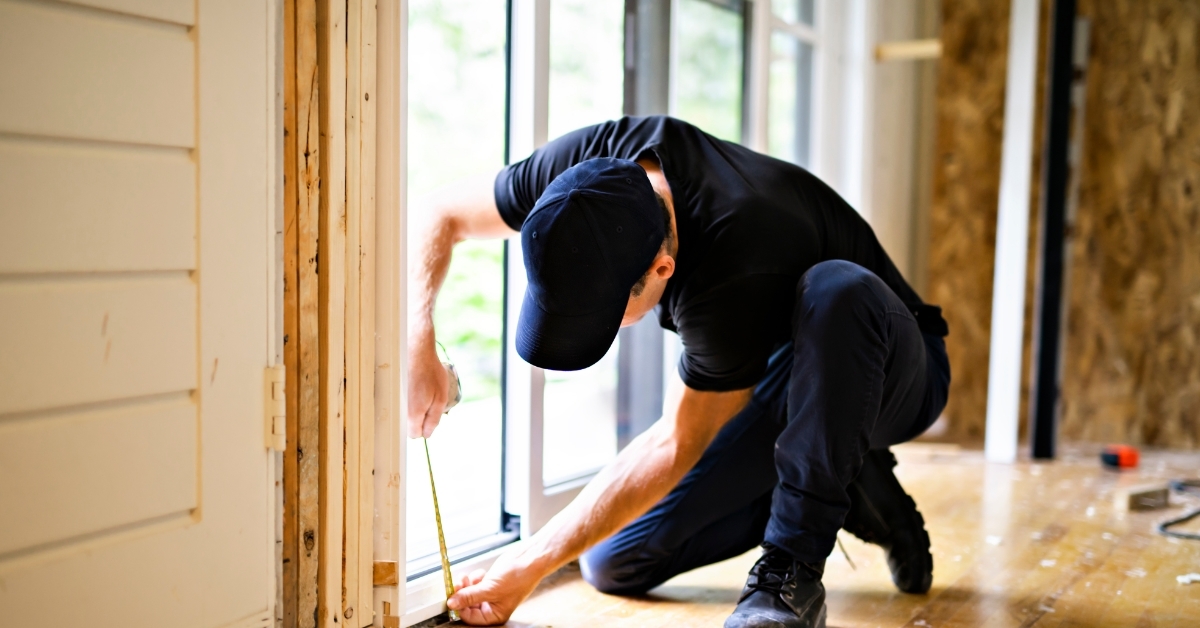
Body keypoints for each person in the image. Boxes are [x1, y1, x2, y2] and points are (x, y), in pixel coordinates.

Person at [407, 116, 950, 628]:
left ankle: (791, 576)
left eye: (604, 317)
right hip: (784, 374)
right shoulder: (581, 184)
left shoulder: (733, 257)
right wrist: (416, 337)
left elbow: (676, 441)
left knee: (837, 290)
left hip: (891, 368)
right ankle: (850, 479)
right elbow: (441, 212)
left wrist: (527, 566)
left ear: (662, 269)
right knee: (614, 561)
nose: (605, 329)